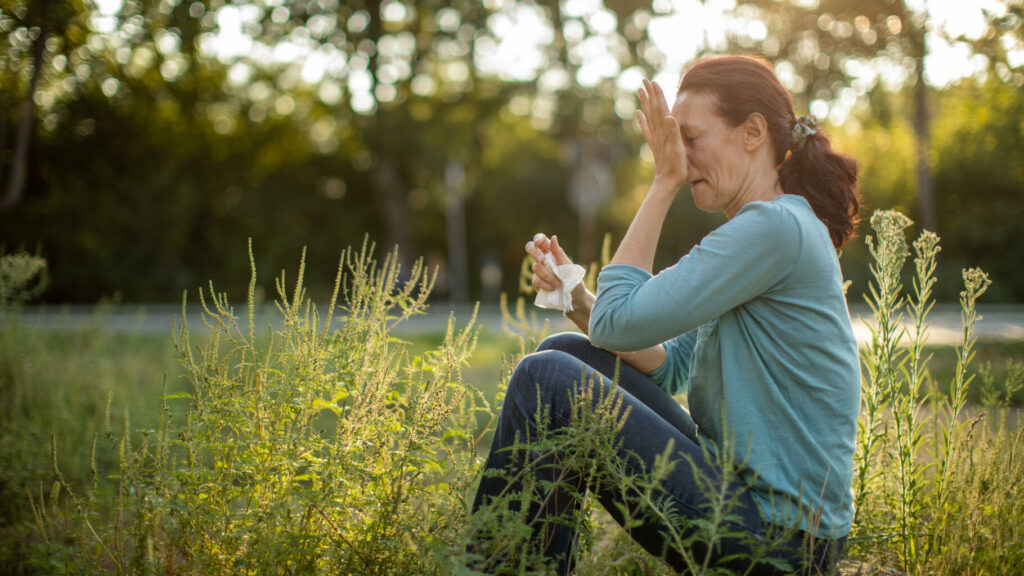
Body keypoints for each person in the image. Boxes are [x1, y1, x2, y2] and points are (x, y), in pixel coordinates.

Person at [469, 55, 861, 575]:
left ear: (752, 132)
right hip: (752, 514)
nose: (679, 155)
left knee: (545, 380)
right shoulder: (766, 230)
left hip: (779, 541)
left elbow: (620, 323)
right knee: (562, 355)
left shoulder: (773, 229)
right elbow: (670, 364)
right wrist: (580, 301)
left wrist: (663, 182)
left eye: (690, 139)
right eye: (674, 144)